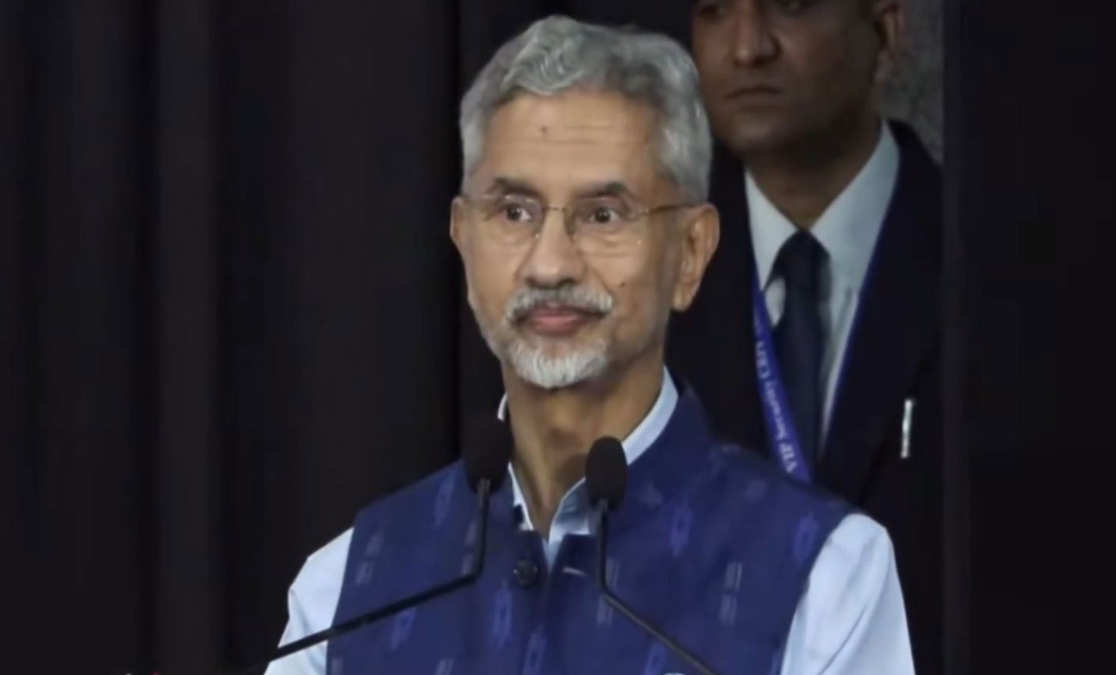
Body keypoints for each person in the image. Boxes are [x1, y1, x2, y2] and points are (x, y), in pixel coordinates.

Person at [266, 16, 914, 675]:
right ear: (464, 241)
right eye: (514, 212)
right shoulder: (348, 589)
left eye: (603, 215)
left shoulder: (826, 581)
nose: (550, 265)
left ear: (691, 253)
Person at [670, 1, 943, 672]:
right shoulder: (650, 279)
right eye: (714, 11)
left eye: (789, 6)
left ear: (885, 30)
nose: (746, 48)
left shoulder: (986, 263)